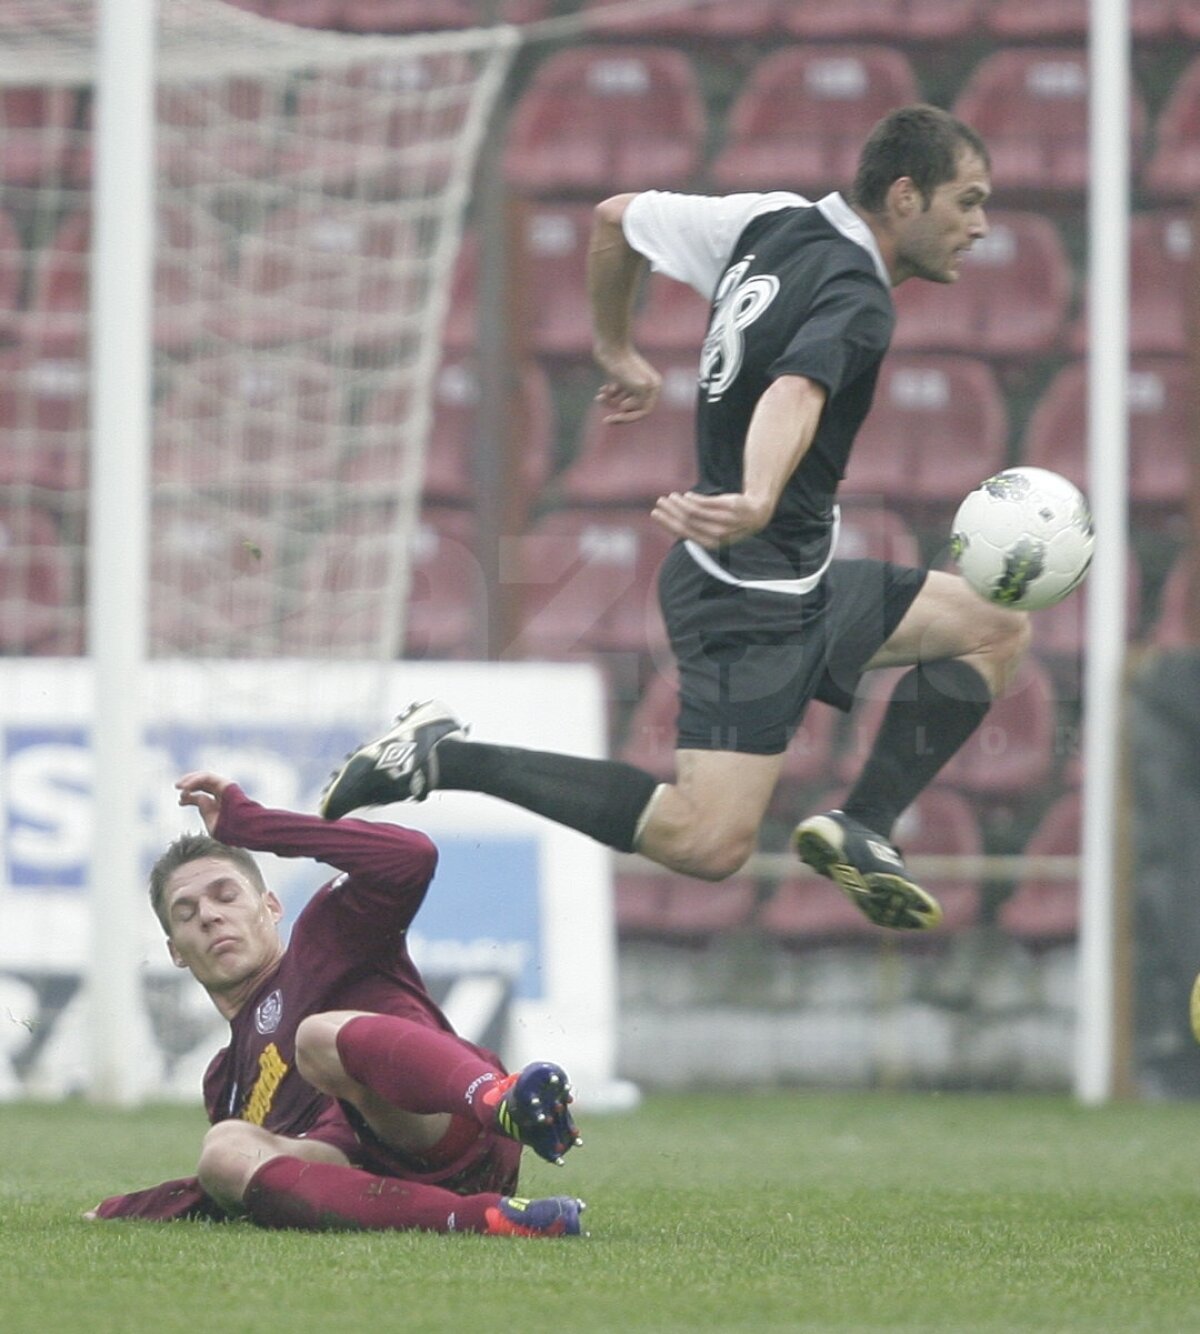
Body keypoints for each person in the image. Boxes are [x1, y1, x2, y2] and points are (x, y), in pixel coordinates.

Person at [319, 104, 1030, 933]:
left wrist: (617, 348)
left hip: (796, 578)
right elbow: (794, 391)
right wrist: (761, 494)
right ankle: (440, 755)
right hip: (751, 607)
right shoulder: (860, 300)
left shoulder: (771, 220)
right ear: (906, 197)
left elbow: (616, 220)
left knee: (994, 627)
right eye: (967, 201)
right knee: (707, 842)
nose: (980, 227)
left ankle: (863, 825)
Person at [86, 770, 585, 1238]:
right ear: (175, 950)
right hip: (385, 1188)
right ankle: (487, 1218)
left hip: (447, 1129)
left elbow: (411, 856)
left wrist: (252, 825)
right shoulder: (225, 1081)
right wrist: (122, 1207)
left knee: (317, 1038)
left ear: (271, 907)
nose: (210, 916)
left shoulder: (327, 936)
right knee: (224, 1150)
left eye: (226, 895)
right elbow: (241, 1185)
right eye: (186, 912)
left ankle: (502, 1100)